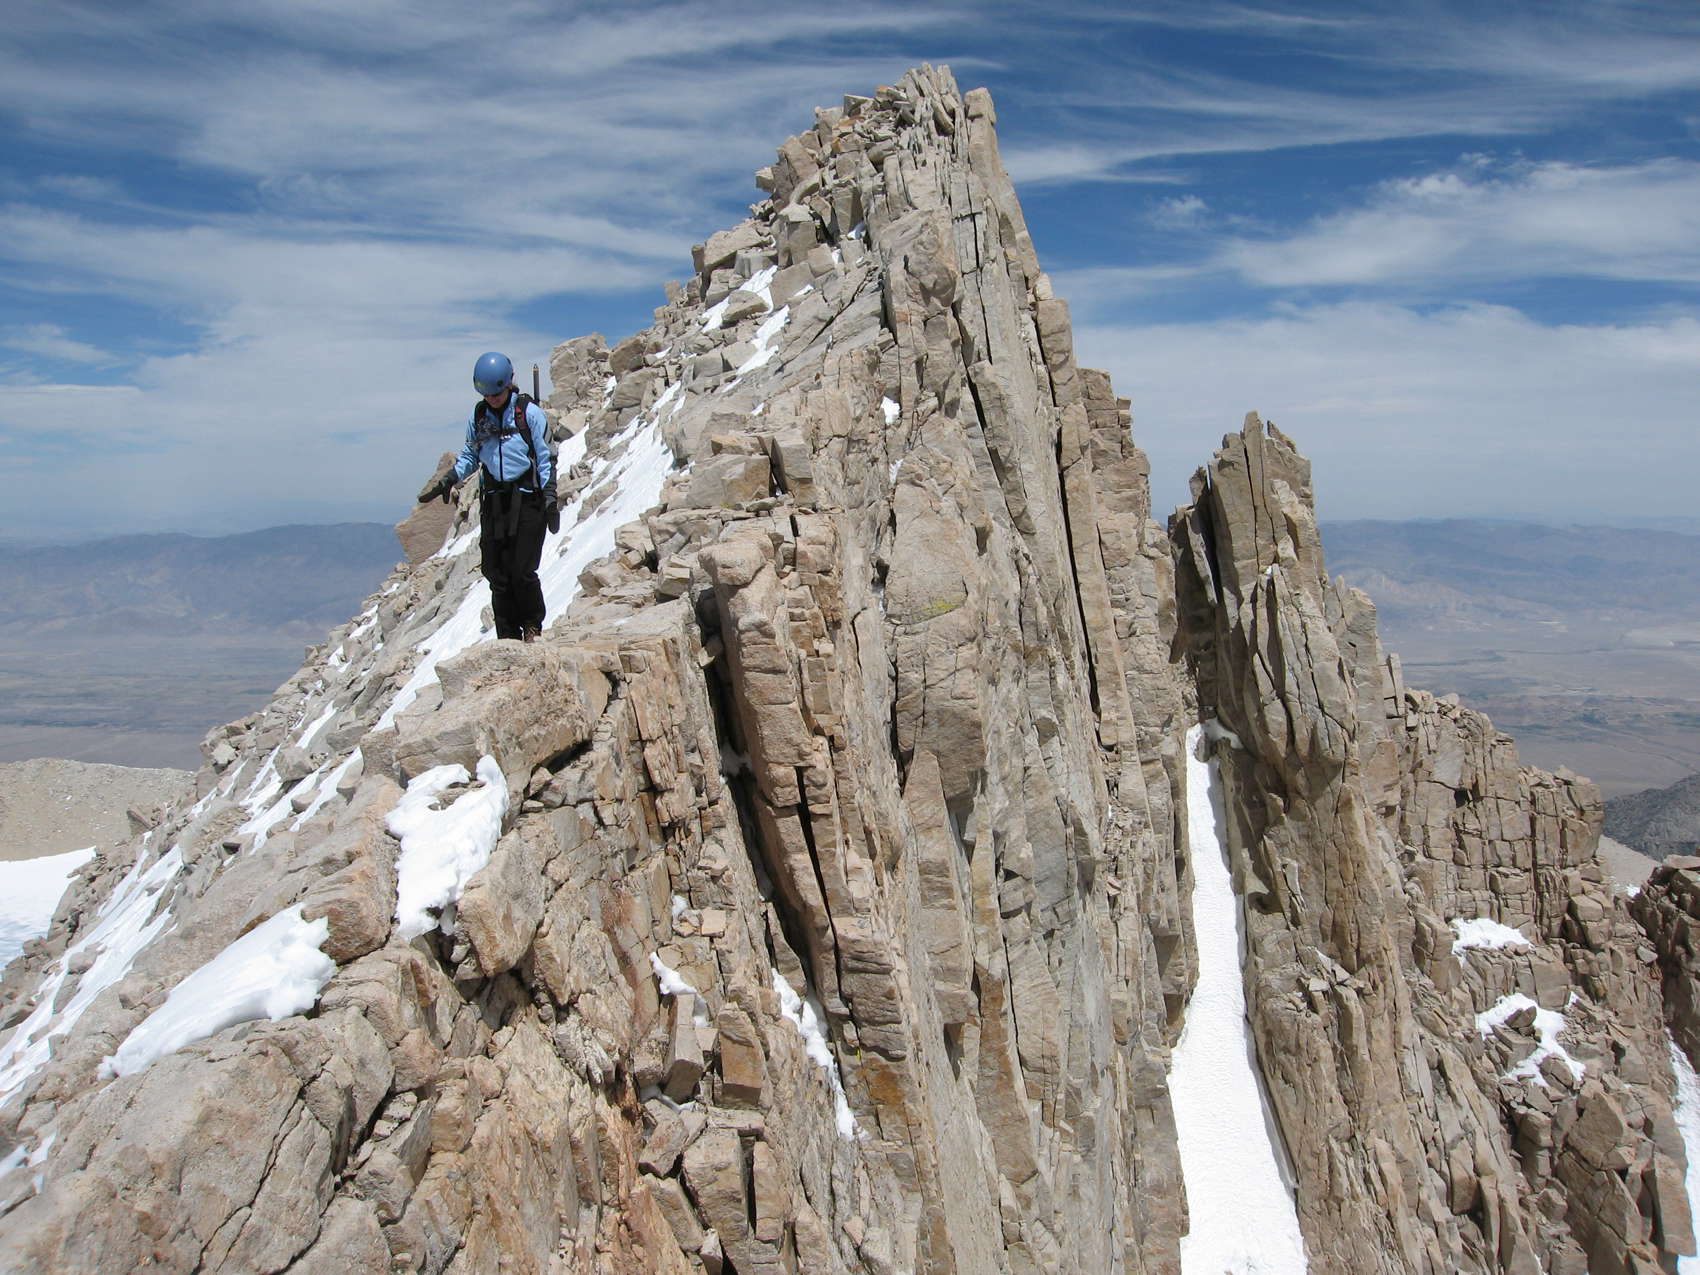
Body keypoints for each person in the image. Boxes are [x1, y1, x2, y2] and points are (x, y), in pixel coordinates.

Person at [417, 351, 555, 642]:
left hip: (528, 498)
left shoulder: (528, 414)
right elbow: (471, 454)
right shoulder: (480, 417)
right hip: (495, 500)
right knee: (496, 571)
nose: (491, 399)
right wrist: (450, 478)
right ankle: (507, 635)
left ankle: (532, 626)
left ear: (508, 384)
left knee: (522, 569)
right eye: (486, 394)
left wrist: (550, 497)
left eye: (496, 393)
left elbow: (545, 457)